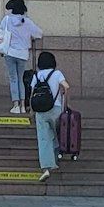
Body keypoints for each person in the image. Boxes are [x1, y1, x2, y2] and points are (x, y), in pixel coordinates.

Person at [25, 51, 68, 182]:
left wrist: (31, 110)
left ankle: (46, 167)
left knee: (44, 138)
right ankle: (56, 160)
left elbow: (32, 93)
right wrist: (65, 101)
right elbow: (66, 86)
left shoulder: (37, 75)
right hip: (55, 109)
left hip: (40, 110)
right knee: (57, 135)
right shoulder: (57, 73)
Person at [0, 0, 42, 115]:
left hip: (10, 52)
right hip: (22, 53)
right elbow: (39, 33)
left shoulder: (6, 20)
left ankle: (15, 105)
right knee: (21, 78)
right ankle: (23, 105)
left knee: (13, 78)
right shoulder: (27, 21)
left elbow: (1, 33)